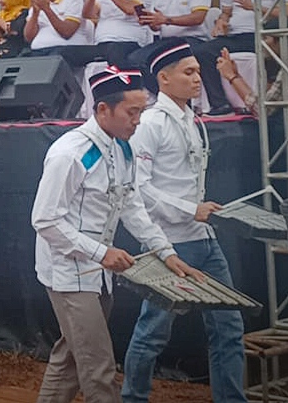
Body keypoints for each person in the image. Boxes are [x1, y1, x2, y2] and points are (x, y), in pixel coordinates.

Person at [31, 67, 201, 403]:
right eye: (132, 111)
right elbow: (45, 220)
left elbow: (132, 206)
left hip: (97, 273)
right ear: (102, 110)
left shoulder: (122, 148)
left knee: (69, 359)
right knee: (99, 369)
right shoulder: (70, 153)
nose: (138, 120)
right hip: (69, 274)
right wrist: (101, 252)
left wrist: (165, 251)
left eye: (141, 110)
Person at [122, 39, 247, 403]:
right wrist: (189, 209)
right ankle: (133, 398)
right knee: (153, 331)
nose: (197, 78)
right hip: (169, 243)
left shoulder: (191, 119)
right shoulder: (150, 123)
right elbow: (138, 188)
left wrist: (198, 214)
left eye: (197, 71)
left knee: (229, 326)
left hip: (205, 240)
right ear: (163, 78)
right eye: (189, 72)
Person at [192, 0, 279, 114]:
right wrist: (220, 22)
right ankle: (220, 104)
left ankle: (261, 105)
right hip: (235, 35)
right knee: (202, 51)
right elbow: (226, 13)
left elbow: (284, 13)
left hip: (263, 35)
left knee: (269, 54)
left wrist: (254, 6)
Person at [25, 0, 91, 60]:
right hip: (38, 53)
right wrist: (35, 13)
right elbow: (28, 37)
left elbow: (66, 32)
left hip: (65, 52)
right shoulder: (38, 4)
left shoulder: (74, 1)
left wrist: (46, 9)